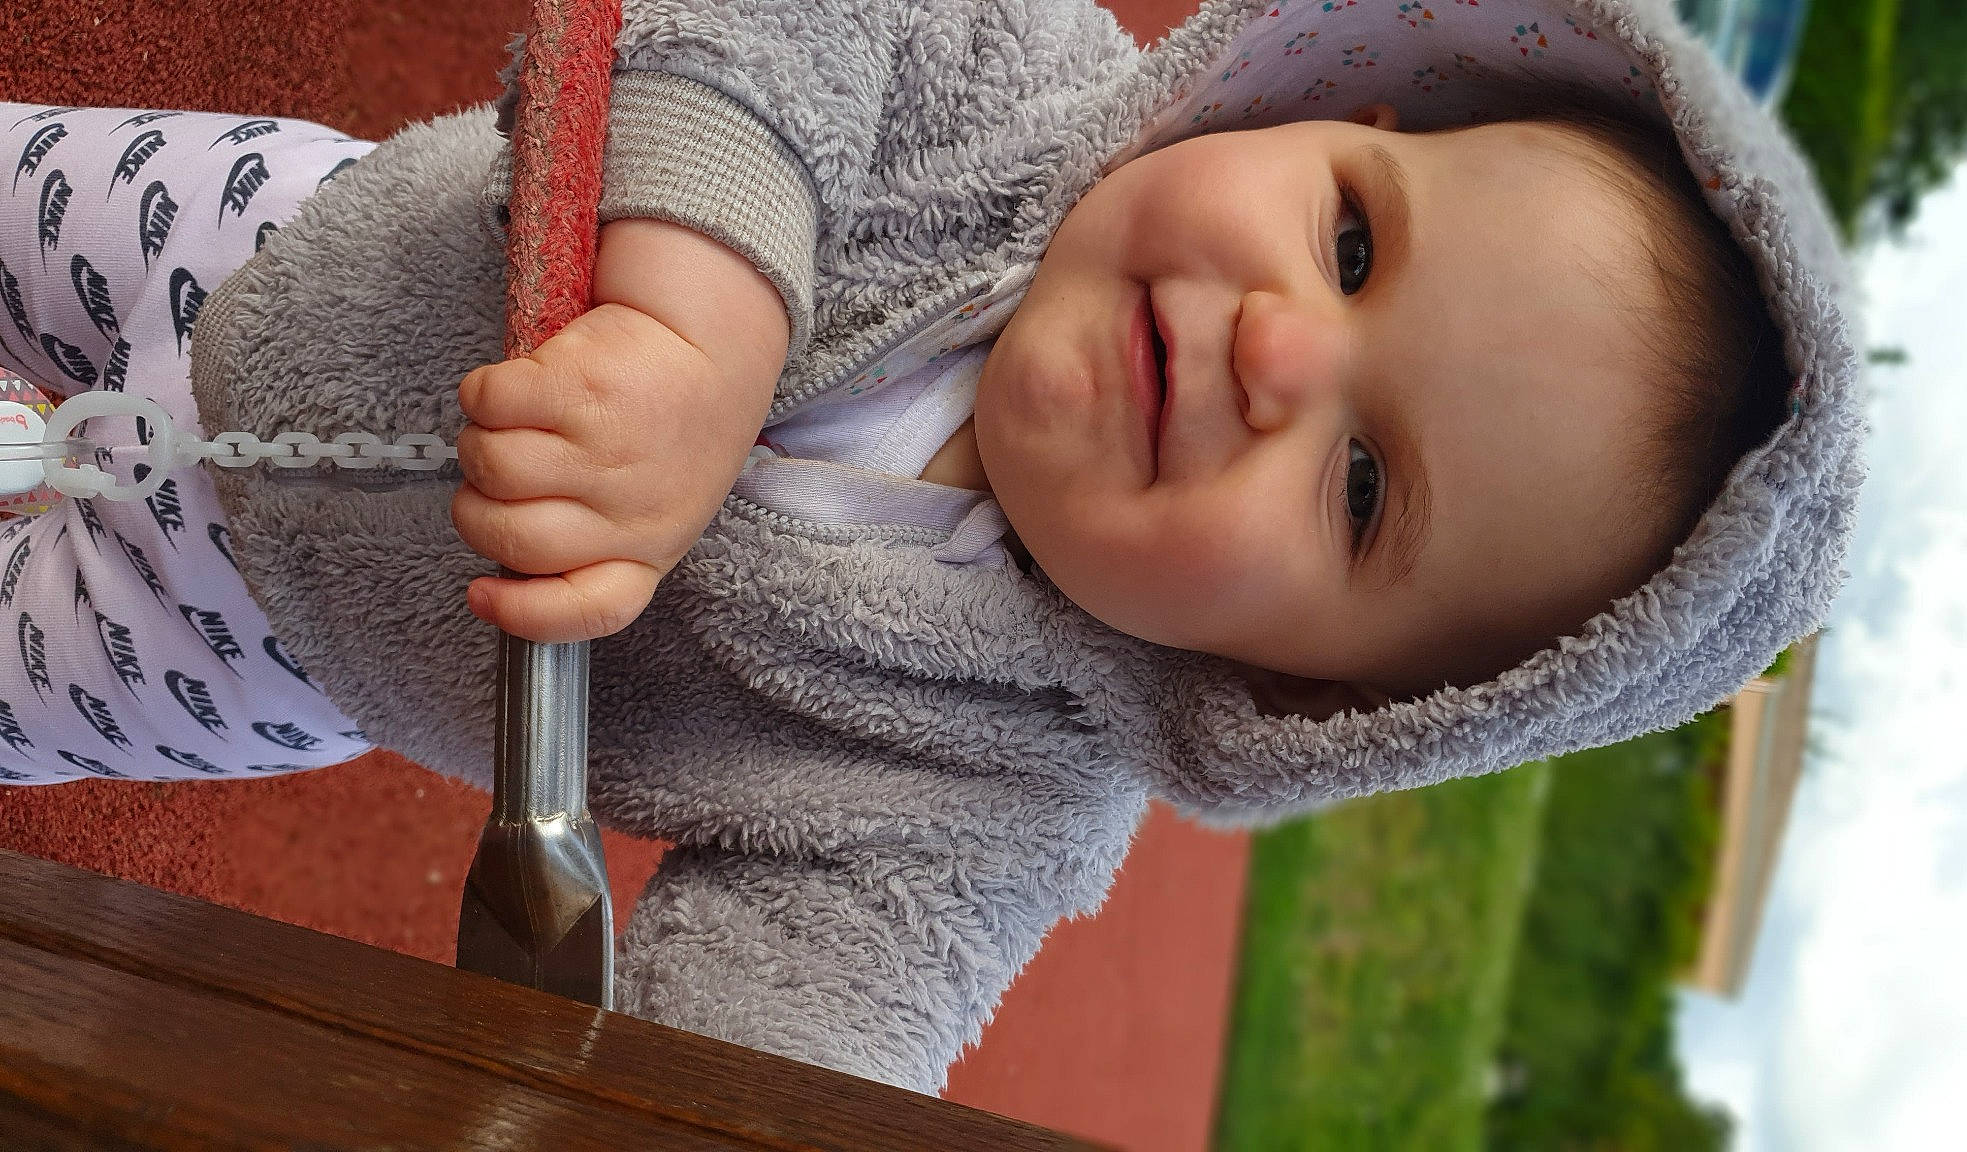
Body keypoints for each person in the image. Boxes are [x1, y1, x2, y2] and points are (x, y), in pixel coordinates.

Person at [0, 0, 1863, 1094]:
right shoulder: (1009, 83)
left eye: (1365, 487)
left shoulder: (990, 810)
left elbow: (797, 1033)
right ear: (1330, 107)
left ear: (1315, 690)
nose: (1279, 345)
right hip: (265, 240)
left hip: (245, 635)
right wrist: (696, 328)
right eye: (1356, 241)